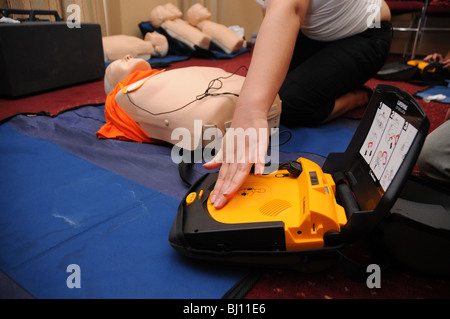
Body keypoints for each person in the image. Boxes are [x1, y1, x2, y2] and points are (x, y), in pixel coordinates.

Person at [203, 0, 393, 209]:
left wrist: (250, 112)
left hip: (365, 34)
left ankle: (360, 97)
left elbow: (288, 7)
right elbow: (272, 17)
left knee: (291, 103)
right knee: (273, 89)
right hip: (313, 36)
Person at [98, 55, 282, 151]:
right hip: (215, 112)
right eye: (117, 63)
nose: (128, 56)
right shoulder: (124, 95)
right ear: (114, 86)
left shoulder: (164, 74)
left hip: (235, 99)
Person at [102, 33, 169, 62]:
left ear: (159, 48)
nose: (155, 33)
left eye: (158, 37)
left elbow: (130, 49)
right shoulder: (142, 42)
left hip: (106, 49)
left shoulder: (147, 46)